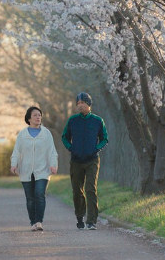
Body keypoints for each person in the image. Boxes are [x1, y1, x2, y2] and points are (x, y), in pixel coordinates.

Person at [62, 92, 108, 230]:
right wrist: (71, 148)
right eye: (78, 103)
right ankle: (79, 216)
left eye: (82, 102)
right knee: (77, 190)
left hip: (92, 160)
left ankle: (91, 221)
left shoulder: (98, 121)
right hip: (76, 160)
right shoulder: (72, 120)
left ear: (89, 103)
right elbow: (65, 137)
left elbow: (104, 138)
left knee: (90, 189)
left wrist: (96, 148)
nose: (80, 105)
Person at [10, 106, 58, 232]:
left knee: (39, 194)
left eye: (39, 115)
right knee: (30, 198)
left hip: (42, 169)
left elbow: (52, 151)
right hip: (25, 170)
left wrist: (53, 164)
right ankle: (32, 222)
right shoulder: (22, 134)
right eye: (35, 115)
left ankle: (39, 221)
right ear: (29, 118)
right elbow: (16, 151)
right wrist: (13, 164)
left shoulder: (46, 133)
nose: (38, 117)